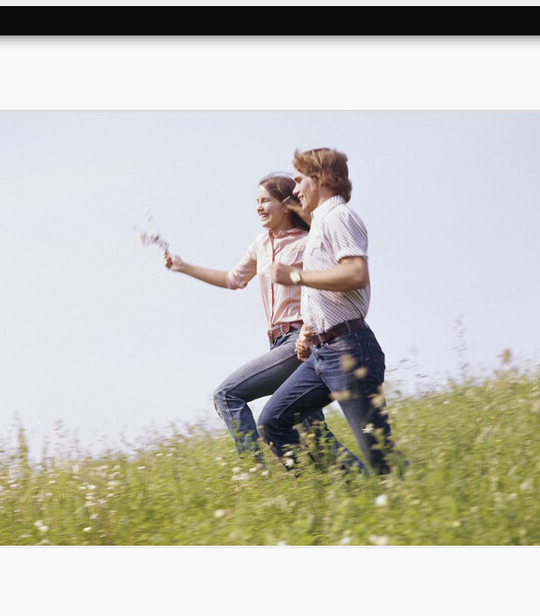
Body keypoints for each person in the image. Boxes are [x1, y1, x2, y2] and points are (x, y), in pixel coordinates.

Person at [164, 173, 332, 463]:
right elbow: (233, 279)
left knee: (227, 395)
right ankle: (341, 487)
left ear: (286, 204)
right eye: (256, 201)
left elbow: (325, 292)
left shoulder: (307, 243)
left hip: (300, 342)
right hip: (276, 342)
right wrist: (183, 266)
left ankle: (256, 475)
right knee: (314, 433)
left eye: (265, 200)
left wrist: (308, 332)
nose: (258, 207)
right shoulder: (261, 244)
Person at [259, 148, 401, 475]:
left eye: (299, 180)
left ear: (321, 179)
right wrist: (309, 329)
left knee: (382, 460)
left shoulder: (338, 216)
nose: (295, 190)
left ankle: (398, 499)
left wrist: (295, 276)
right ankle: (339, 495)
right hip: (322, 353)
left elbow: (355, 273)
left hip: (350, 352)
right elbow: (328, 285)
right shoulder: (321, 222)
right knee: (274, 421)